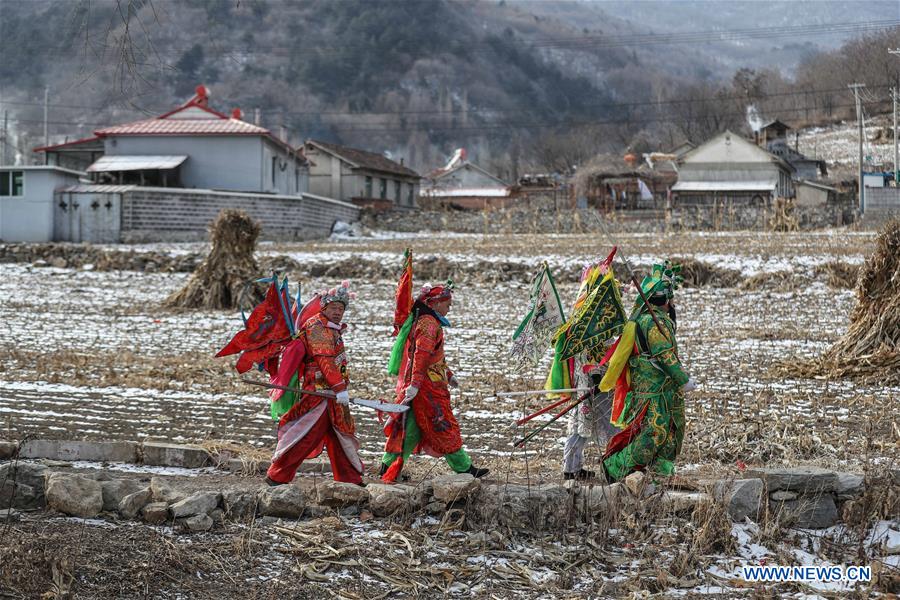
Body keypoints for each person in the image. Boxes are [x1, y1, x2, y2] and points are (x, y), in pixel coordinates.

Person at [380, 282, 489, 482]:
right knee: (443, 424)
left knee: (409, 429)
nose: (450, 307)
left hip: (425, 384)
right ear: (435, 303)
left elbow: (432, 357)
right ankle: (465, 468)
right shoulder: (429, 324)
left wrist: (448, 374)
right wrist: (415, 385)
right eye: (447, 303)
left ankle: (387, 465)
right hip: (427, 388)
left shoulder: (426, 321)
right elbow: (420, 357)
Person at [602, 262, 696, 482]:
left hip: (665, 390)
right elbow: (664, 354)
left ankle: (661, 472)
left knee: (671, 432)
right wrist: (683, 379)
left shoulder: (654, 320)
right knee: (654, 434)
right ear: (666, 300)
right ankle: (614, 467)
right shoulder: (652, 323)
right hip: (654, 389)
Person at [266, 281, 364, 486]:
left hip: (333, 393)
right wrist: (339, 388)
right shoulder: (317, 327)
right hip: (319, 393)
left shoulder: (332, 327)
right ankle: (277, 475)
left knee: (340, 434)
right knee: (306, 434)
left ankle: (350, 478)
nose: (338, 312)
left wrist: (340, 389)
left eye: (341, 308)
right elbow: (324, 360)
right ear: (324, 308)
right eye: (333, 308)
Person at [562, 362, 618, 480]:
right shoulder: (585, 344)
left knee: (581, 421)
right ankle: (615, 466)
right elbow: (590, 351)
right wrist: (595, 375)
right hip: (594, 379)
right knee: (610, 419)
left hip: (595, 377)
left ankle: (572, 467)